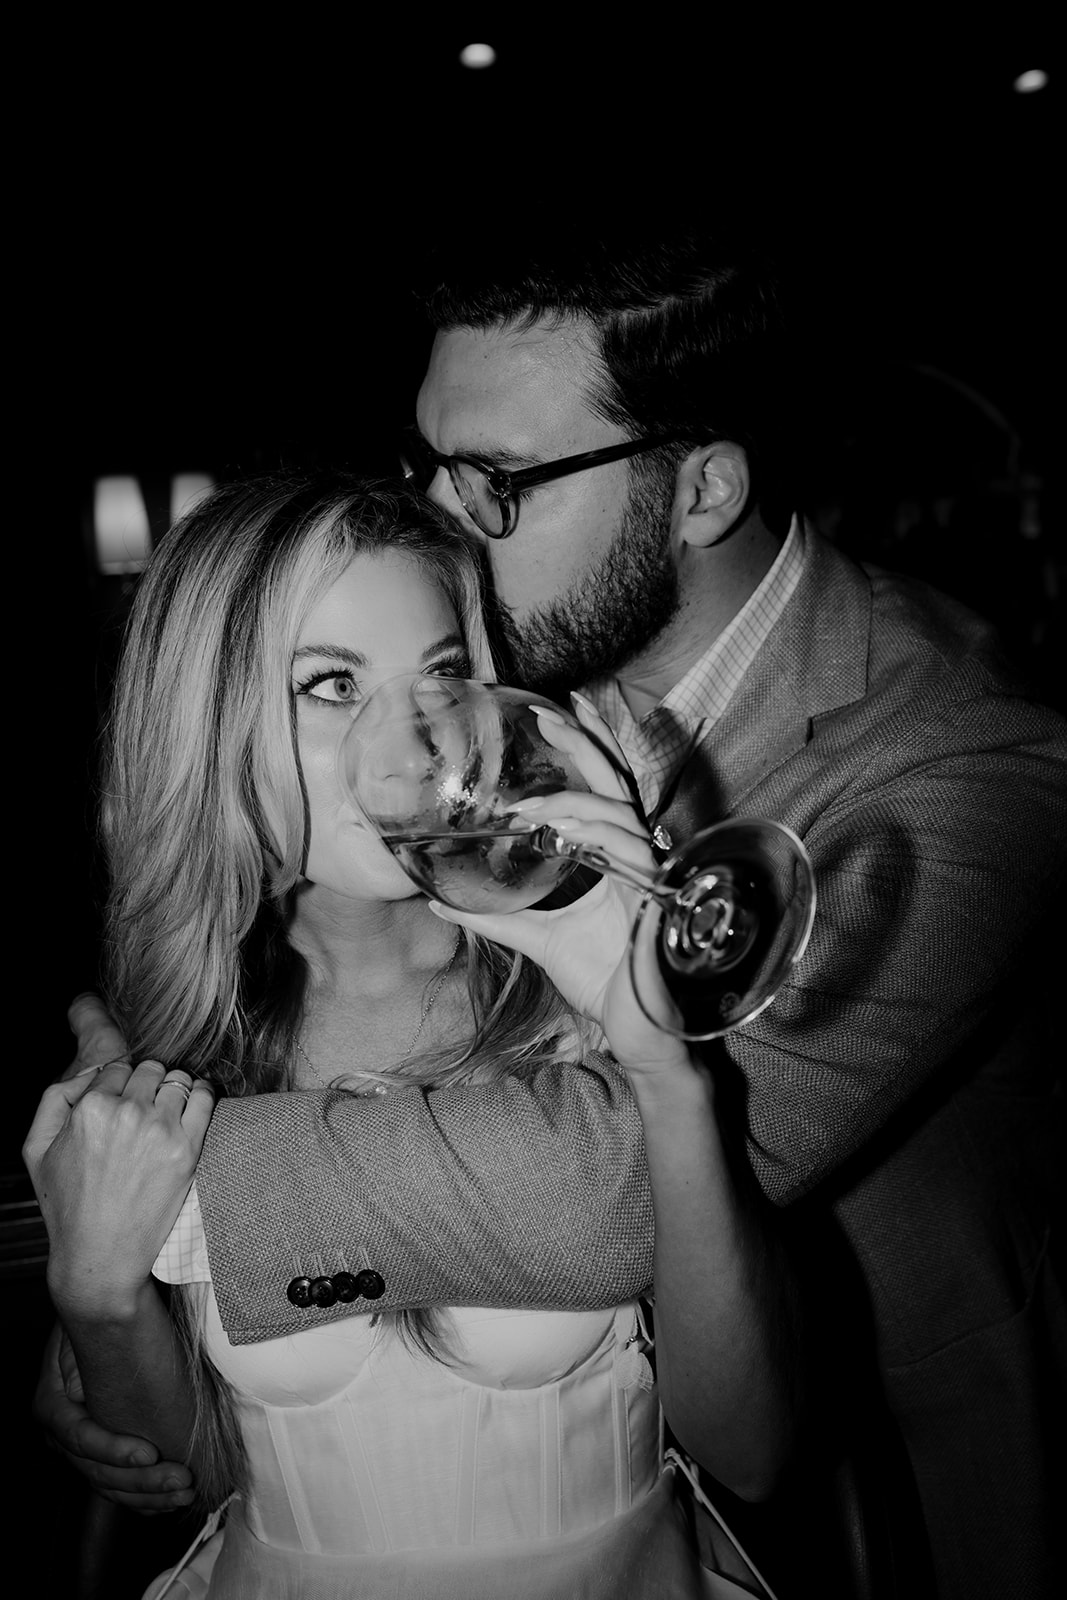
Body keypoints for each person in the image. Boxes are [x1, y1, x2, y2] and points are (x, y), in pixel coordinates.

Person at [43, 232, 1067, 1598]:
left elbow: (599, 1187)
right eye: (427, 464)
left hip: (892, 1461)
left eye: (497, 484)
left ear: (699, 486)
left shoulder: (976, 766)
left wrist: (153, 1209)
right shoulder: (478, 709)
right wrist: (114, 1322)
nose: (437, 523)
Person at [24, 471, 805, 1598]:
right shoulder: (168, 1038)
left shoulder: (571, 982)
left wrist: (658, 1059)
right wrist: (94, 1296)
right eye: (330, 684)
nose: (413, 744)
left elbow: (755, 1448)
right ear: (207, 716)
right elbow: (197, 1479)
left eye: (442, 677)